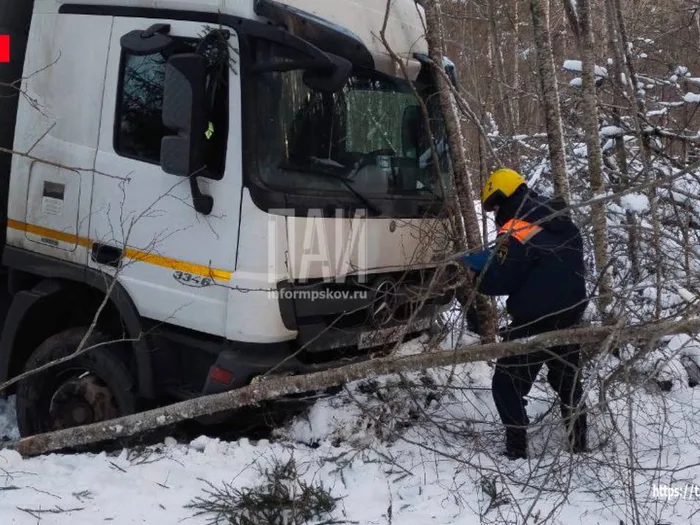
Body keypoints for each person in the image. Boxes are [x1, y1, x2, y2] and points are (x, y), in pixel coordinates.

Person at [458, 168, 589, 460]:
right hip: (570, 315)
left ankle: (516, 452)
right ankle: (579, 444)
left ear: (502, 195)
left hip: (534, 321)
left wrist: (476, 273)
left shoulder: (516, 227)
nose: (494, 212)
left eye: (493, 205)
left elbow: (501, 280)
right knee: (567, 381)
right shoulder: (558, 217)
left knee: (506, 385)